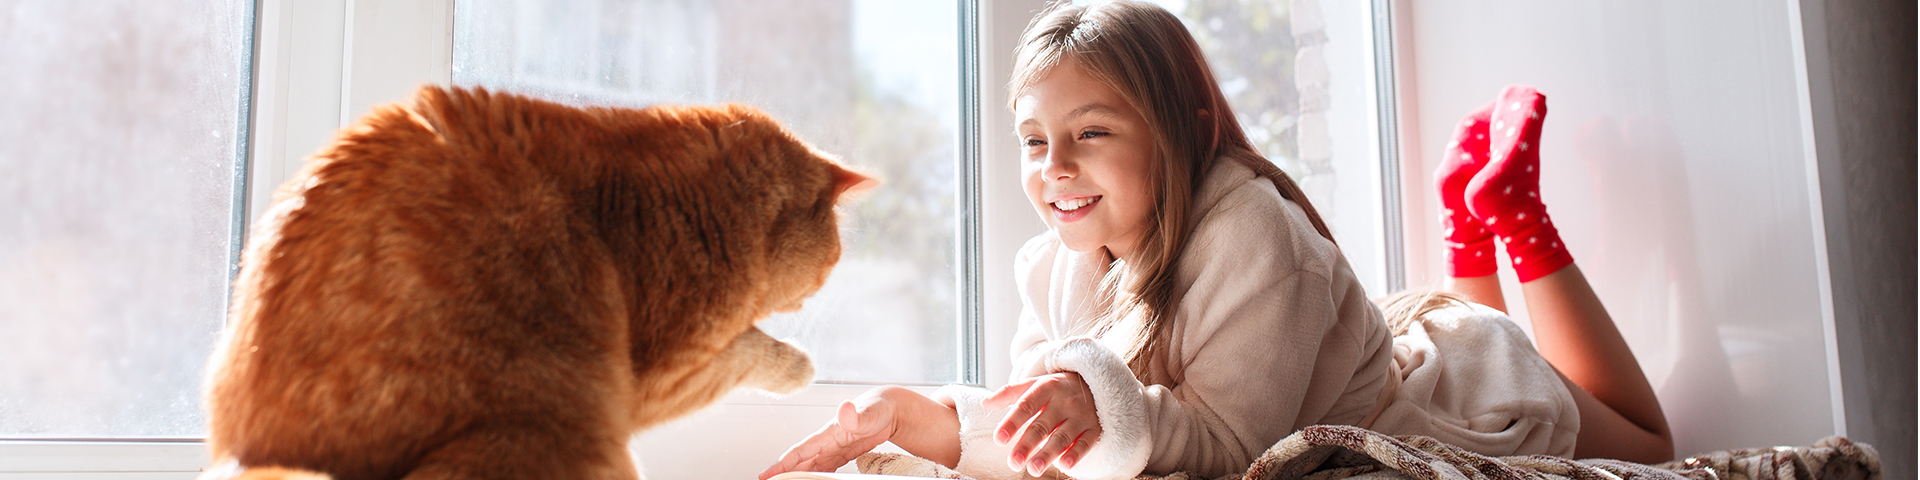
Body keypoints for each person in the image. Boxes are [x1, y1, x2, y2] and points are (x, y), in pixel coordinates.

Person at [760, 3, 1672, 480]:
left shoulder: (1254, 233)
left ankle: (1509, 218)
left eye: (1092, 132)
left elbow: (1236, 445)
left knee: (1649, 443)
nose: (1055, 168)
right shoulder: (1052, 267)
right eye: (1034, 141)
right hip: (1380, 344)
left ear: (1186, 132)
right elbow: (1041, 437)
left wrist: (1101, 404)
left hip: (1456, 388)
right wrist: (914, 416)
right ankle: (1469, 225)